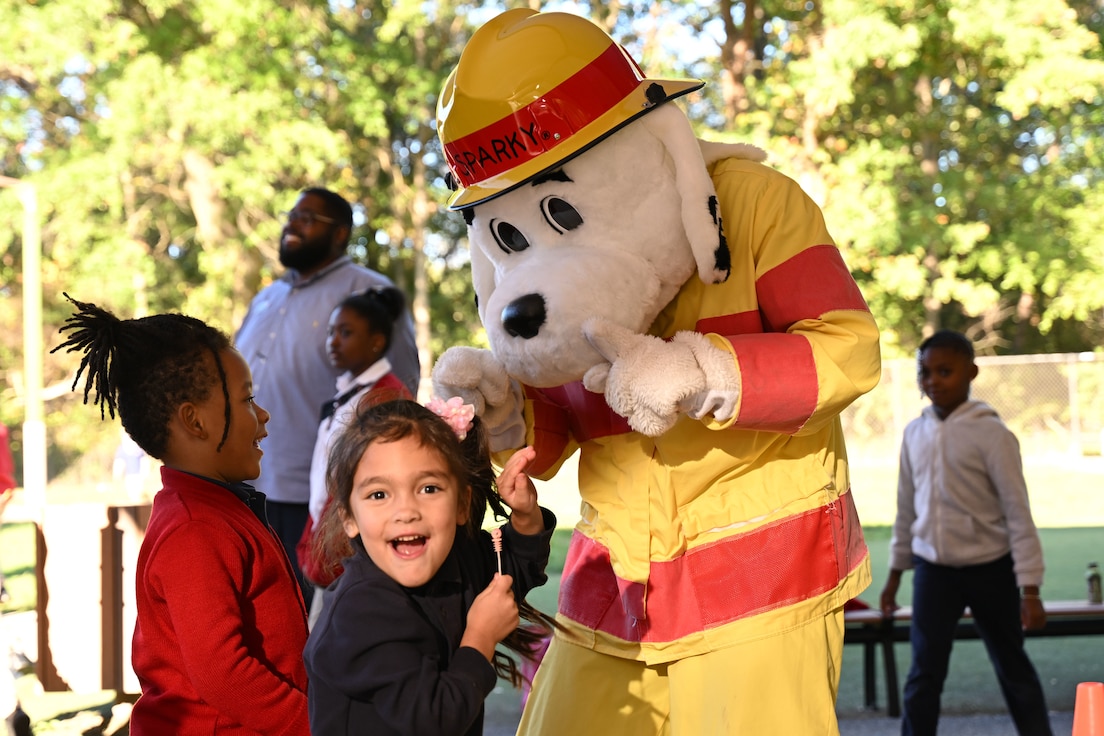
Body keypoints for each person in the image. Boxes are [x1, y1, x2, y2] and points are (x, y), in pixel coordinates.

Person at [52, 293, 310, 736]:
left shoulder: (216, 510)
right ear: (194, 421)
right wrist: (319, 723)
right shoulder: (195, 529)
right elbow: (223, 672)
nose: (263, 415)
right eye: (247, 399)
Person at [303, 398, 556, 736]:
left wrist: (525, 514)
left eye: (428, 488)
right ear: (349, 518)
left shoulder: (457, 559)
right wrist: (479, 637)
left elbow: (515, 568)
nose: (406, 510)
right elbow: (432, 719)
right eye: (379, 494)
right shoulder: (360, 612)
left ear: (463, 504)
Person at [235, 187, 420, 608]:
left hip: (318, 500)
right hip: (251, 486)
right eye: (291, 214)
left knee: (310, 627)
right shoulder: (267, 297)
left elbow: (398, 394)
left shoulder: (368, 293)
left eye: (307, 217)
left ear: (340, 234)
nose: (292, 224)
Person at [879, 329, 1052, 736]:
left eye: (945, 371)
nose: (933, 381)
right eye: (925, 373)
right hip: (933, 571)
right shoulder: (913, 433)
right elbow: (906, 509)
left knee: (1012, 667)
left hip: (990, 569)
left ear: (971, 371)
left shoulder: (993, 434)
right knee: (924, 673)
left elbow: (1017, 512)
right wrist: (894, 577)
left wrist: (1030, 589)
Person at [297, 286, 413, 625]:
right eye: (331, 331)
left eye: (345, 333)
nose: (333, 341)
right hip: (330, 541)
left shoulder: (384, 397)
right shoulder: (351, 393)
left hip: (354, 556)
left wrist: (329, 549)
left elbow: (367, 485)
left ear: (376, 341)